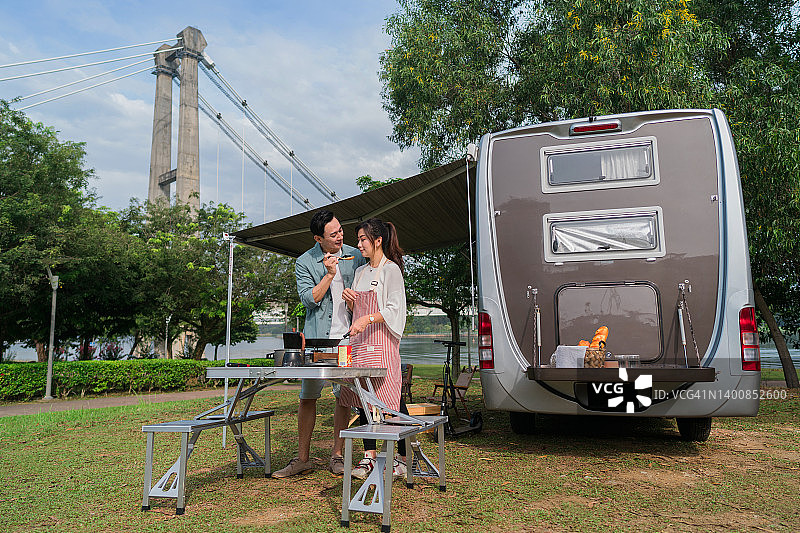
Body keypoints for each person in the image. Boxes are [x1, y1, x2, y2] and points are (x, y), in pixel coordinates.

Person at [272, 210, 367, 478]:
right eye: (333, 234)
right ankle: (303, 459)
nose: (340, 236)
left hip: (347, 339)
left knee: (344, 398)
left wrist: (355, 302)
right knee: (308, 396)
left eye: (340, 230)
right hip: (315, 342)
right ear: (318, 238)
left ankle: (336, 456)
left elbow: (367, 291)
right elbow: (308, 300)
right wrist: (328, 274)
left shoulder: (356, 254)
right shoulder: (304, 262)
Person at [339, 218, 409, 481]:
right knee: (363, 400)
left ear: (378, 240)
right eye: (358, 240)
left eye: (362, 240)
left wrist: (366, 318)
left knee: (391, 401)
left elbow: (394, 309)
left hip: (383, 344)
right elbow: (355, 312)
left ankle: (400, 459)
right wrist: (349, 303)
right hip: (362, 345)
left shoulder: (391, 271)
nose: (359, 245)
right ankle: (369, 457)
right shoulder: (359, 273)